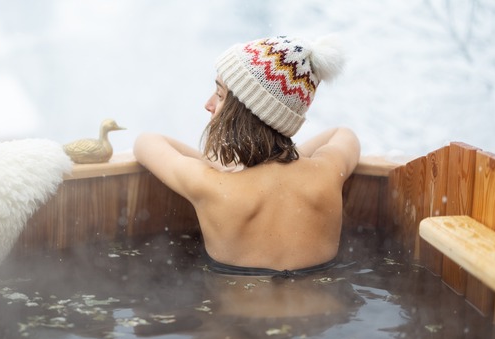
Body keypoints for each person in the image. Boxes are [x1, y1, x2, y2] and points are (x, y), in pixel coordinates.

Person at [134, 35, 360, 277]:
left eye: (220, 96)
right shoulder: (326, 173)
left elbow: (145, 142)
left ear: (244, 113)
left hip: (237, 315)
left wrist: (218, 164)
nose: (208, 104)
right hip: (326, 313)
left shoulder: (212, 185)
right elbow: (343, 133)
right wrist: (291, 156)